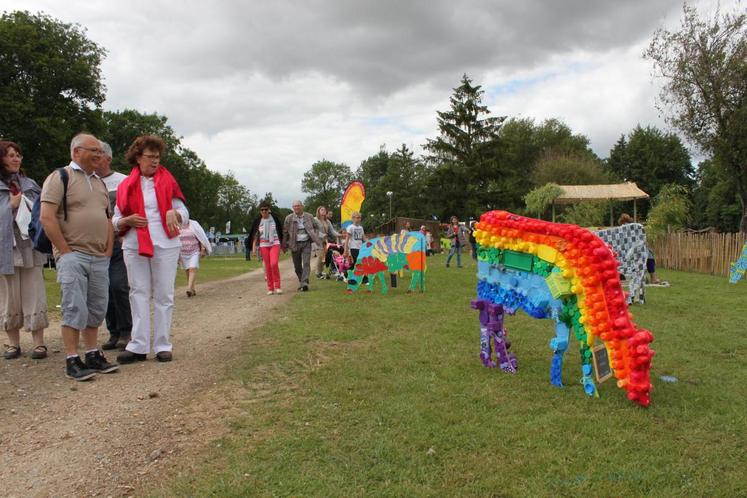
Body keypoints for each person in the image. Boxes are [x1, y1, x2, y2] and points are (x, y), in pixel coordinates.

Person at [40, 133, 118, 380]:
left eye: (101, 151)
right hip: (73, 254)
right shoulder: (60, 177)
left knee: (96, 308)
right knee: (74, 307)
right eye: (93, 150)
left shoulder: (100, 183)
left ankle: (93, 354)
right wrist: (64, 251)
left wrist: (107, 250)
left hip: (98, 256)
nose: (99, 155)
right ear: (76, 152)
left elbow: (106, 219)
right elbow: (47, 216)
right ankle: (72, 359)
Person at [112, 135, 188, 364]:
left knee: (164, 294)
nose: (155, 161)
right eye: (150, 157)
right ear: (137, 157)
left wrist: (175, 214)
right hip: (134, 244)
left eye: (157, 157)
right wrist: (126, 221)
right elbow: (115, 219)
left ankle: (163, 345)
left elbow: (184, 214)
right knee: (138, 292)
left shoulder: (168, 181)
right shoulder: (124, 185)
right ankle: (138, 345)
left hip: (165, 242)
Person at [1, 141, 49, 360]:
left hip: (28, 245)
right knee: (9, 295)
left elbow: (43, 209)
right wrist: (9, 206)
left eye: (18, 155)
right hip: (6, 248)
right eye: (10, 155)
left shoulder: (30, 183)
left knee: (34, 291)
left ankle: (39, 343)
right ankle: (13, 344)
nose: (16, 159)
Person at [96, 141, 132, 351]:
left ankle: (127, 330)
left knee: (118, 285)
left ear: (108, 158)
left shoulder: (123, 181)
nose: (94, 157)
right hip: (95, 243)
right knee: (104, 289)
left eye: (98, 154)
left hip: (119, 241)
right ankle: (114, 332)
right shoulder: (86, 182)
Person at [282, 200, 322, 292]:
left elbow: (317, 226)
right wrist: (284, 244)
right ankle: (302, 281)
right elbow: (285, 232)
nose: (296, 208)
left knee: (307, 263)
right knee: (297, 266)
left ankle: (304, 283)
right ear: (293, 208)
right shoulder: (289, 218)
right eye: (294, 206)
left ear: (302, 206)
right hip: (294, 244)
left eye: (298, 206)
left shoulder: (309, 216)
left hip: (306, 243)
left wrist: (314, 235)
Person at [618, 213, 667, 286]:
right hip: (630, 252)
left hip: (629, 251)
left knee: (647, 254)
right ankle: (652, 278)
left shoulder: (625, 230)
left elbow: (641, 240)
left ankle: (647, 277)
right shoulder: (630, 229)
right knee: (649, 255)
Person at [249, 201, 283, 295]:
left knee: (274, 263)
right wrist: (253, 248)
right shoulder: (258, 221)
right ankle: (270, 288)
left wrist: (284, 244)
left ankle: (277, 286)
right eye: (262, 210)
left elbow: (280, 231)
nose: (264, 211)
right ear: (260, 211)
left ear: (269, 210)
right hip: (264, 245)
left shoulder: (275, 219)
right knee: (267, 266)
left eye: (266, 209)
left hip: (275, 243)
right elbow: (255, 235)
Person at [179, 219, 211, 297]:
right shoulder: (177, 225)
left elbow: (201, 237)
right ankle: (192, 289)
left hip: (194, 251)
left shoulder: (194, 224)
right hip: (183, 252)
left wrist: (203, 249)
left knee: (192, 268)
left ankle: (189, 288)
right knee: (187, 270)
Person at [313, 206, 340, 279]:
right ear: (318, 211)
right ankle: (318, 273)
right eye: (321, 209)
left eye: (324, 210)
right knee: (320, 256)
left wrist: (339, 234)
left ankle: (321, 271)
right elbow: (313, 231)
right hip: (318, 241)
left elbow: (332, 231)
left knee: (324, 257)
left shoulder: (327, 221)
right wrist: (322, 235)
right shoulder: (315, 220)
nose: (323, 211)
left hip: (326, 241)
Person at [344, 211, 367, 282]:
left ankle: (346, 274)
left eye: (359, 218)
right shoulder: (350, 227)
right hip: (353, 248)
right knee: (358, 262)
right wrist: (346, 250)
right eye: (356, 218)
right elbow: (347, 240)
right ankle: (363, 279)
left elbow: (363, 238)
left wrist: (368, 244)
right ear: (352, 219)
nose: (358, 219)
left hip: (360, 248)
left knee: (356, 263)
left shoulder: (361, 228)